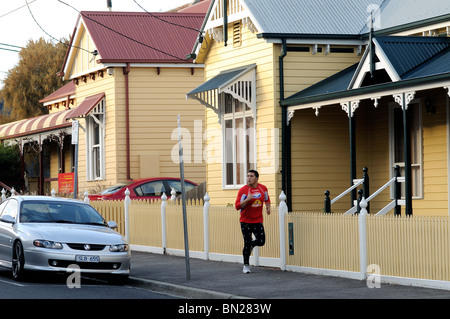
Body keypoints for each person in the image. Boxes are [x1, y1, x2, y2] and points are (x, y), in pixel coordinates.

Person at [235, 170, 271, 274]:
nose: (248, 178)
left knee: (261, 241)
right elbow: (237, 206)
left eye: (251, 176)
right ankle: (246, 266)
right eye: (247, 176)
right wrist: (248, 199)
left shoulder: (262, 188)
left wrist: (268, 208)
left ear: (256, 178)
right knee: (246, 243)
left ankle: (251, 245)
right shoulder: (243, 190)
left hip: (258, 220)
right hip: (245, 221)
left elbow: (267, 199)